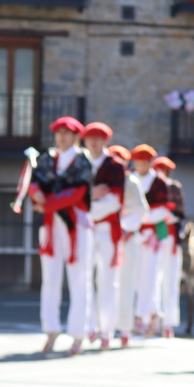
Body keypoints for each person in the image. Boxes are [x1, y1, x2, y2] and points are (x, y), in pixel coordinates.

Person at [31, 116, 92, 356]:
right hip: (50, 224)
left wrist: (46, 204)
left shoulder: (83, 160)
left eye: (67, 133)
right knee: (50, 278)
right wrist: (35, 193)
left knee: (78, 278)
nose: (62, 137)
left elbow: (78, 192)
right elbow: (34, 182)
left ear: (76, 136)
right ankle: (51, 329)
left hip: (75, 224)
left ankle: (78, 333)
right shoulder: (46, 158)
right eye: (59, 133)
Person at [82, 122, 126, 351]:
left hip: (107, 229)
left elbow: (115, 201)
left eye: (98, 138)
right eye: (90, 138)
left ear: (106, 141)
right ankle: (88, 326)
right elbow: (74, 195)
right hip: (84, 229)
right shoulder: (80, 163)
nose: (94, 142)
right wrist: (92, 197)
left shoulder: (115, 166)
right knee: (84, 278)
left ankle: (107, 330)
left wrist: (87, 209)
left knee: (108, 280)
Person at [129, 144, 170, 336]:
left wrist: (141, 218)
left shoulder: (159, 182)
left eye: (145, 162)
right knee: (136, 275)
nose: (141, 165)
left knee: (150, 274)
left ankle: (141, 315)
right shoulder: (130, 179)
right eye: (138, 162)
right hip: (132, 232)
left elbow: (162, 209)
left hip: (151, 235)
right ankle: (153, 313)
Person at [112, 145, 149, 348]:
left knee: (127, 283)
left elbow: (141, 210)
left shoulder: (131, 182)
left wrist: (125, 228)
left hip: (126, 239)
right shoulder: (105, 181)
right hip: (107, 237)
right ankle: (104, 327)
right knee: (104, 282)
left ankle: (125, 328)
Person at [152, 156, 183, 339]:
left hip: (170, 237)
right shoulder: (152, 187)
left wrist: (164, 215)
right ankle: (154, 318)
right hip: (154, 237)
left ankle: (169, 322)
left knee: (170, 279)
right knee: (153, 278)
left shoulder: (174, 187)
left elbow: (180, 212)